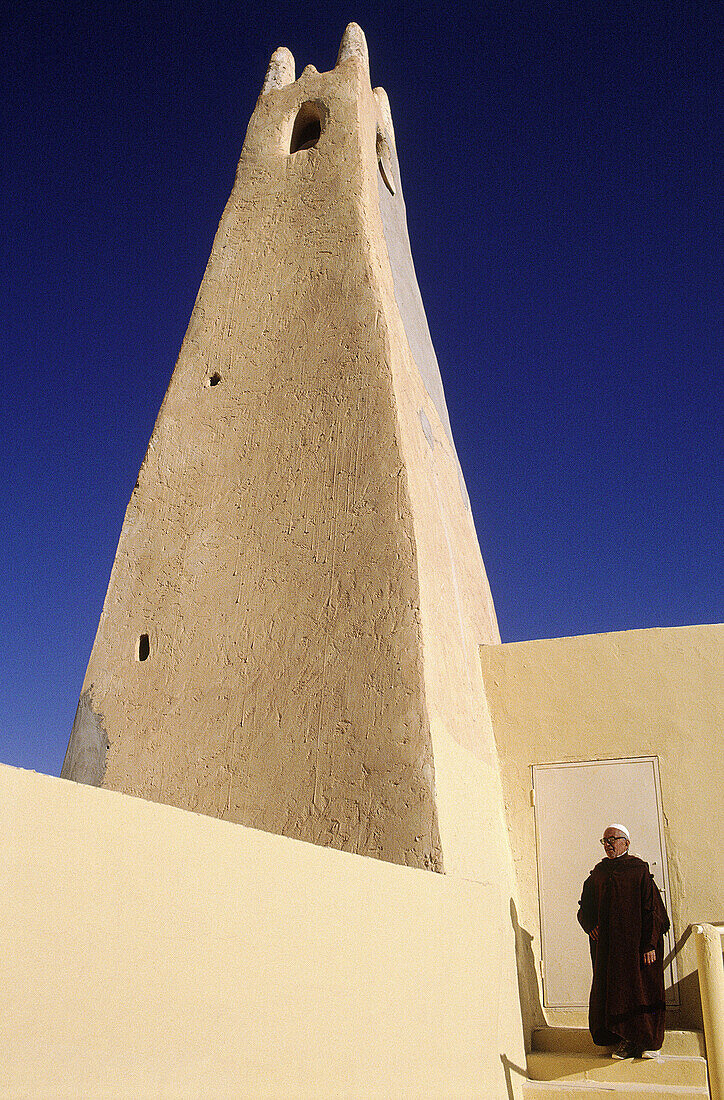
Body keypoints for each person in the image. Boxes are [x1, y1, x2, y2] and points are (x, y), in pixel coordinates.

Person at [577, 824, 670, 1059]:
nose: (608, 844)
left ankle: (649, 1043)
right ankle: (625, 1042)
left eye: (613, 839)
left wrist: (649, 944)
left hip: (638, 947)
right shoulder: (598, 873)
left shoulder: (638, 870)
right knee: (617, 993)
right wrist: (590, 926)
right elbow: (584, 907)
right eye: (605, 840)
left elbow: (651, 909)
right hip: (610, 950)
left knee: (642, 990)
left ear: (626, 843)